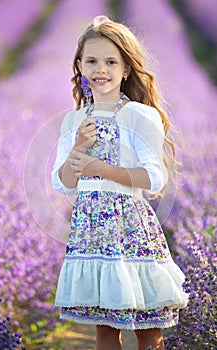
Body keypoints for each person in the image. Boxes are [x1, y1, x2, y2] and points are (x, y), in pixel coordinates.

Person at [51, 15, 188, 350]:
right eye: (92, 60)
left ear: (126, 69)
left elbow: (153, 178)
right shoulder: (74, 120)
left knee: (146, 326)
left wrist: (101, 168)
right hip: (91, 234)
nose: (101, 69)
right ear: (80, 66)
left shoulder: (139, 116)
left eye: (111, 61)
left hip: (130, 229)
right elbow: (63, 183)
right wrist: (79, 148)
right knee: (105, 329)